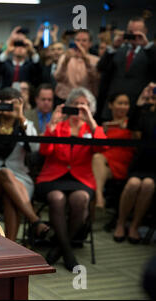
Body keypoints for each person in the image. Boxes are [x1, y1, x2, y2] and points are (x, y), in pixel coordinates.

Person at [34, 87, 107, 271]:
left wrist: (91, 122)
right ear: (68, 106)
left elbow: (102, 148)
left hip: (81, 179)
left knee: (80, 199)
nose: (80, 108)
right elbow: (45, 151)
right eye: (76, 104)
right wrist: (51, 126)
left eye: (85, 105)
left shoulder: (91, 128)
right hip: (53, 177)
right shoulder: (58, 126)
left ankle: (59, 249)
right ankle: (67, 252)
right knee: (57, 198)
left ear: (91, 108)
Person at [0, 88, 46, 241]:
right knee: (5, 173)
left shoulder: (24, 125)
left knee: (10, 195)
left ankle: (10, 245)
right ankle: (35, 220)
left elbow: (35, 149)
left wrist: (22, 119)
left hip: (20, 178)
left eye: (12, 104)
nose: (8, 107)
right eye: (4, 103)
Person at [113, 82, 156, 244]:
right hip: (140, 163)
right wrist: (141, 102)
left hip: (154, 169)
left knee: (148, 185)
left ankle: (134, 226)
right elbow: (133, 128)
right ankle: (121, 222)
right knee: (133, 183)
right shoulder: (145, 114)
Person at [97, 16, 156, 121]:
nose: (133, 35)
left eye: (137, 32)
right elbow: (101, 68)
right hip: (113, 107)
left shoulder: (150, 51)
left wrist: (146, 46)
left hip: (137, 107)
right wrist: (113, 47)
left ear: (145, 32)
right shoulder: (118, 49)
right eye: (130, 32)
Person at [91, 93, 135, 213]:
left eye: (126, 104)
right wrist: (103, 130)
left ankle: (98, 198)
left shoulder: (132, 124)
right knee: (97, 160)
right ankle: (99, 197)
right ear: (111, 105)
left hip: (124, 163)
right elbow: (97, 148)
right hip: (105, 165)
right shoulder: (104, 127)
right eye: (120, 103)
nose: (123, 107)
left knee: (97, 160)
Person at [53, 29, 100, 105]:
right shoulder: (64, 58)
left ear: (90, 43)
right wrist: (65, 62)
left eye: (84, 40)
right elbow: (58, 78)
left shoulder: (95, 60)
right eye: (77, 40)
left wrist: (86, 60)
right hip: (65, 99)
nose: (80, 43)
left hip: (86, 101)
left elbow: (96, 79)